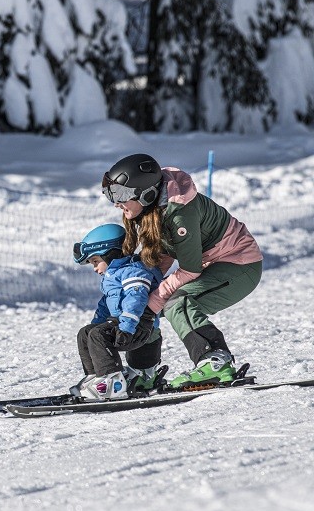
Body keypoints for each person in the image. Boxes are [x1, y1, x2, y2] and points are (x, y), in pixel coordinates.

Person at [102, 153, 262, 388]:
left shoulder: (180, 215)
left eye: (122, 195)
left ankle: (214, 361)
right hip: (211, 262)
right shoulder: (153, 207)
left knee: (178, 302)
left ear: (145, 193)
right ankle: (143, 372)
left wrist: (154, 303)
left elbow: (190, 270)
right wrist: (142, 294)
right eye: (111, 195)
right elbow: (163, 253)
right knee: (146, 302)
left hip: (239, 264)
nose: (117, 202)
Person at [71, 223, 166, 401]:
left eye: (95, 261)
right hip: (123, 324)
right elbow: (105, 305)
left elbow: (136, 300)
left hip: (138, 327)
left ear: (110, 253)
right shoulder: (112, 276)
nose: (94, 268)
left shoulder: (132, 271)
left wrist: (127, 326)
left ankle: (112, 381)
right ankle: (98, 377)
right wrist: (95, 325)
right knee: (86, 334)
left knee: (98, 335)